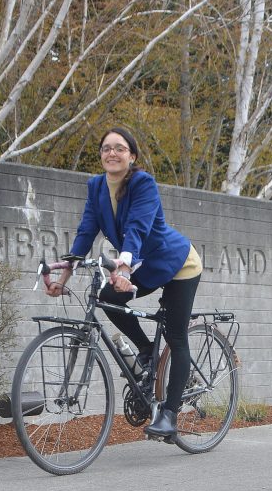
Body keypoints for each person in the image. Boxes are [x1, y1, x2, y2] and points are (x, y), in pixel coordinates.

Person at [45, 126, 203, 439]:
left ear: (131, 156)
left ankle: (169, 416)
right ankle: (146, 351)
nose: (112, 153)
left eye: (119, 148)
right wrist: (64, 277)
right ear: (101, 154)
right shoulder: (96, 186)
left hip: (178, 262)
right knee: (108, 297)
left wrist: (126, 266)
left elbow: (138, 228)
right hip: (144, 263)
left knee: (175, 334)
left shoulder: (143, 183)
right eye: (106, 148)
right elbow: (86, 231)